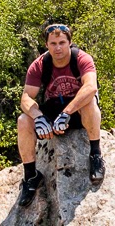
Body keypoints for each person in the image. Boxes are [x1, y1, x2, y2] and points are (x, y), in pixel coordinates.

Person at [16, 22, 105, 207]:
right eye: (53, 43)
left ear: (69, 43)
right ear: (46, 45)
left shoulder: (82, 59)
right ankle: (31, 175)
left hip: (76, 110)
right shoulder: (40, 65)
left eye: (62, 43)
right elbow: (26, 97)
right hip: (53, 110)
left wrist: (67, 113)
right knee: (23, 120)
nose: (58, 48)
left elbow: (91, 87)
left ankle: (95, 154)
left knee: (89, 103)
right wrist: (38, 117)